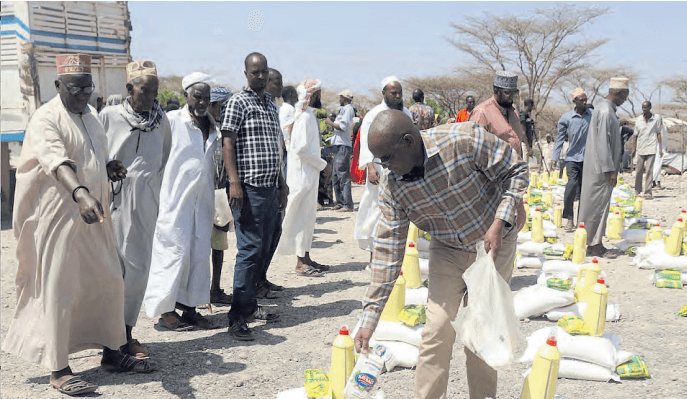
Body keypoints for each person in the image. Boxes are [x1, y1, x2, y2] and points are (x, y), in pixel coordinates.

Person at [3, 54, 155, 397]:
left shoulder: (90, 116)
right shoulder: (46, 118)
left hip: (93, 216)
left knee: (110, 279)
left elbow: (93, 155)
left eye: (89, 87)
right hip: (58, 218)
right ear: (58, 86)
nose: (84, 94)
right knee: (60, 289)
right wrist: (81, 193)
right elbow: (58, 162)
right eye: (76, 88)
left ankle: (113, 352)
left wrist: (109, 166)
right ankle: (58, 369)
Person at [354, 110, 528, 399]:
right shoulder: (393, 186)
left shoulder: (464, 140)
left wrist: (500, 221)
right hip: (448, 247)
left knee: (481, 330)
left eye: (387, 158)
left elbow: (516, 170)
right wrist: (369, 320)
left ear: (409, 142)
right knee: (436, 329)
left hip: (493, 245)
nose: (383, 167)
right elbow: (387, 253)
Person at [100, 60, 172, 356]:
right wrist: (107, 168)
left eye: (155, 92)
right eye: (145, 91)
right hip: (115, 202)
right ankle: (109, 339)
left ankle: (127, 332)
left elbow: (162, 161)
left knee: (139, 269)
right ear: (130, 89)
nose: (151, 97)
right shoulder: (109, 116)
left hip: (146, 203)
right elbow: (95, 154)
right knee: (114, 270)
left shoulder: (161, 120)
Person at [143, 72, 219, 331]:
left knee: (198, 252)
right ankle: (165, 312)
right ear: (186, 95)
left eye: (206, 98)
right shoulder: (173, 120)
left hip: (203, 201)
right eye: (197, 96)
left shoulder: (212, 125)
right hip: (174, 200)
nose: (202, 102)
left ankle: (190, 308)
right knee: (172, 252)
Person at [222, 52, 284, 341]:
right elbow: (228, 143)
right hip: (247, 188)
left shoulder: (270, 104)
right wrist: (234, 181)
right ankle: (236, 316)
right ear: (245, 73)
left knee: (266, 245)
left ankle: (249, 305)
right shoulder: (238, 102)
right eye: (255, 72)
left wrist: (282, 182)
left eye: (264, 72)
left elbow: (274, 145)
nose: (261, 76)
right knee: (249, 251)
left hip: (270, 187)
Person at [354, 76, 413, 256]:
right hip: (380, 170)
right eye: (393, 93)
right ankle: (374, 255)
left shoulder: (407, 114)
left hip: (402, 171)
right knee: (376, 210)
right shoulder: (374, 114)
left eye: (400, 93)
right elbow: (365, 142)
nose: (398, 96)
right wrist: (370, 167)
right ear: (384, 93)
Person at [276, 79, 329, 277]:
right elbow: (301, 149)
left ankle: (306, 257)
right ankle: (300, 263)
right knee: (300, 218)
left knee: (308, 218)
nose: (320, 97)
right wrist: (323, 165)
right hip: (302, 176)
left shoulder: (308, 116)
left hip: (309, 174)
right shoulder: (304, 118)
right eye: (318, 93)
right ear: (311, 95)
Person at [578, 77, 630, 258]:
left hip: (596, 166)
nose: (625, 99)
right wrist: (610, 170)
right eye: (625, 95)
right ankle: (595, 245)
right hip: (602, 169)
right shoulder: (607, 112)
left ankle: (589, 241)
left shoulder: (602, 108)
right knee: (598, 206)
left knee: (593, 205)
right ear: (617, 93)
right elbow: (603, 143)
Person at [208, 86, 235, 305]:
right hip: (199, 195)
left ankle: (215, 289)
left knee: (218, 243)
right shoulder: (201, 129)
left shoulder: (225, 129)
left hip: (219, 193)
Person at [552, 88, 592, 230]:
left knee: (585, 191)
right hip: (572, 158)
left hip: (588, 159)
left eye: (586, 99)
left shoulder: (592, 116)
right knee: (572, 185)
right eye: (582, 100)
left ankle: (581, 219)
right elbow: (560, 139)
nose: (585, 102)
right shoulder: (566, 118)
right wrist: (554, 157)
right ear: (574, 101)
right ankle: (569, 218)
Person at [469, 71, 528, 157]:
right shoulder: (481, 113)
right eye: (507, 92)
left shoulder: (514, 110)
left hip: (515, 167)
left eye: (514, 92)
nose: (512, 96)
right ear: (496, 91)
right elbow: (473, 149)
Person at [325, 88, 356, 211]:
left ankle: (348, 204)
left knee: (343, 175)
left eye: (340, 97)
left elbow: (342, 127)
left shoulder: (348, 109)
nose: (339, 99)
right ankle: (340, 202)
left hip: (344, 145)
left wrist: (330, 122)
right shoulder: (342, 110)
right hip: (338, 144)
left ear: (344, 98)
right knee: (336, 175)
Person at [633, 100, 663, 199]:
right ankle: (637, 190)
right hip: (641, 148)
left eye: (646, 107)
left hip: (651, 148)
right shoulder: (638, 120)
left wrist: (660, 148)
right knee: (638, 171)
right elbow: (635, 135)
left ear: (650, 107)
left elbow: (659, 133)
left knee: (649, 170)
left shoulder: (656, 118)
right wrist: (634, 149)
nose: (644, 109)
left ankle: (648, 192)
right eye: (643, 107)